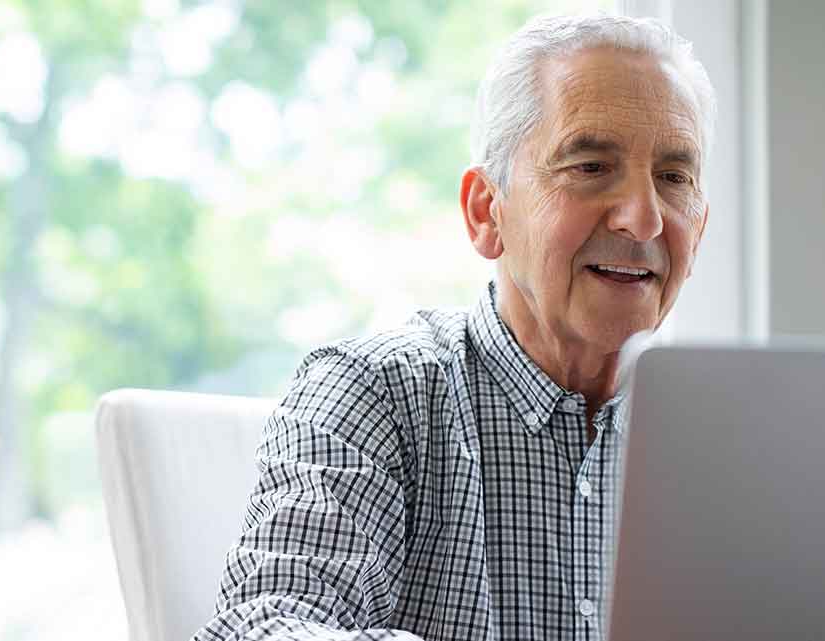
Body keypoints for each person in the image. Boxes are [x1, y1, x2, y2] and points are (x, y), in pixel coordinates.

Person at [194, 12, 714, 641]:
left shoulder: (723, 436)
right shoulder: (374, 392)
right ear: (485, 213)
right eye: (590, 167)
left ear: (701, 226)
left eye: (673, 177)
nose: (644, 219)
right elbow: (267, 626)